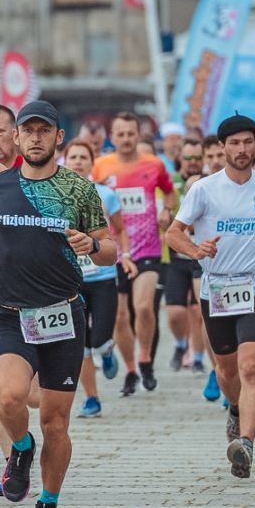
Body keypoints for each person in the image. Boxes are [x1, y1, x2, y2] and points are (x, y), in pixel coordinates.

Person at [0, 100, 114, 508]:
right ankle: (21, 449)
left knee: (55, 422)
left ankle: (48, 505)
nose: (34, 138)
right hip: (11, 313)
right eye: (27, 131)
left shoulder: (79, 190)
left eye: (43, 131)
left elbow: (111, 250)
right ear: (16, 138)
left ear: (58, 138)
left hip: (64, 314)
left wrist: (91, 244)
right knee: (7, 398)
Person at [166, 114, 255, 480]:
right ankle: (236, 407)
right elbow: (173, 234)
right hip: (218, 288)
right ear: (221, 147)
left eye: (248, 142)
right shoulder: (204, 189)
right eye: (234, 143)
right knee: (226, 370)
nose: (242, 150)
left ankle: (246, 444)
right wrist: (195, 250)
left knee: (251, 365)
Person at [94, 111, 178, 396]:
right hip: (112, 252)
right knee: (119, 317)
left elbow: (170, 193)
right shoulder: (100, 167)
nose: (126, 139)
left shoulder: (153, 164)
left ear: (138, 135)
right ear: (112, 137)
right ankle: (129, 369)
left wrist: (167, 210)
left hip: (149, 249)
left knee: (143, 307)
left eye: (131, 133)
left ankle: (145, 360)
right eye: (121, 134)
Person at [60, 140, 127, 419]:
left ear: (92, 162)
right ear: (65, 161)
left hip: (103, 275)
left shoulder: (107, 195)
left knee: (99, 338)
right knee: (81, 343)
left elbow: (120, 230)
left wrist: (125, 256)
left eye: (82, 157)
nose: (77, 161)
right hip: (72, 277)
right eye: (72, 157)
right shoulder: (56, 195)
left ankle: (107, 351)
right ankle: (92, 399)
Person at [163, 137, 209, 376]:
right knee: (176, 313)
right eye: (188, 158)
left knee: (199, 310)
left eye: (198, 158)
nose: (193, 162)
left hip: (201, 257)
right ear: (179, 158)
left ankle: (199, 358)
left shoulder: (211, 183)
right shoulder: (170, 184)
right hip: (176, 255)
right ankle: (181, 344)